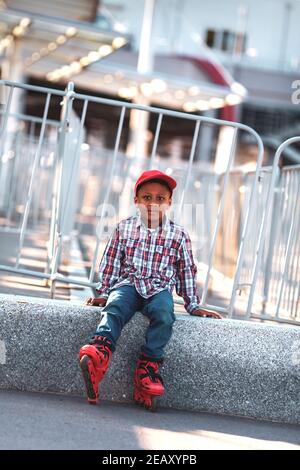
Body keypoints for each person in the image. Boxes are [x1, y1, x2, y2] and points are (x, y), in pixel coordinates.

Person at [79, 169, 222, 410]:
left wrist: (193, 304)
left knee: (165, 314)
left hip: (159, 289)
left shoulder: (178, 235)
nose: (153, 203)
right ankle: (100, 352)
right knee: (115, 305)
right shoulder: (123, 229)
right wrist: (103, 291)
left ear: (169, 203)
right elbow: (111, 262)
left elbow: (186, 270)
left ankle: (148, 368)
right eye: (147, 197)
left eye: (159, 198)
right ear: (136, 200)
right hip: (129, 284)